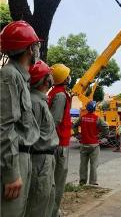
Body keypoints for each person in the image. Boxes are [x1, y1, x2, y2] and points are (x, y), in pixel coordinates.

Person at [0, 21, 41, 217]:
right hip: (15, 159)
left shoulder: (21, 77)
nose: (37, 49)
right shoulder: (9, 75)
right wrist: (11, 173)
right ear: (29, 49)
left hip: (24, 156)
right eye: (35, 45)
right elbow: (4, 126)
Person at [25, 61, 59, 217]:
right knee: (37, 204)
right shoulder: (35, 102)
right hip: (40, 160)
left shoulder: (40, 101)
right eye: (49, 75)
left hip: (46, 159)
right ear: (45, 80)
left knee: (46, 199)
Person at [48, 63, 72, 217]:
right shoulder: (61, 95)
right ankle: (53, 212)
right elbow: (55, 120)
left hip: (56, 142)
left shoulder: (55, 92)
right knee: (58, 181)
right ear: (64, 78)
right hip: (60, 144)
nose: (70, 77)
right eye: (68, 75)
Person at [74, 101, 109, 186]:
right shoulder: (97, 118)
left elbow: (74, 125)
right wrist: (100, 136)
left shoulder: (82, 118)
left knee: (83, 164)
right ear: (94, 108)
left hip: (83, 144)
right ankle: (92, 182)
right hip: (94, 145)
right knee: (93, 165)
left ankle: (82, 182)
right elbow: (106, 127)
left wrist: (77, 135)